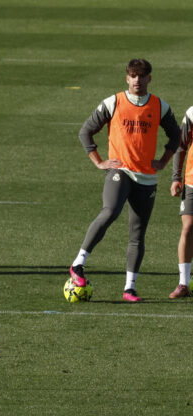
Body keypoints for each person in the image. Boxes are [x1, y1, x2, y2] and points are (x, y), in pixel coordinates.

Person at [68, 58, 180, 302]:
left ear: (149, 78)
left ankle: (129, 288)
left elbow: (176, 136)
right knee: (110, 211)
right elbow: (85, 131)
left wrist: (163, 161)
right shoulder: (113, 102)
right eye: (133, 76)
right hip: (120, 172)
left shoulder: (160, 106)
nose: (137, 80)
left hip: (147, 178)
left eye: (142, 76)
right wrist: (99, 161)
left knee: (137, 234)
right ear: (127, 78)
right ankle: (78, 263)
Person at [169, 106, 193, 298]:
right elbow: (181, 145)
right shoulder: (192, 113)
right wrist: (176, 177)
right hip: (192, 181)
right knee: (188, 227)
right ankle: (183, 283)